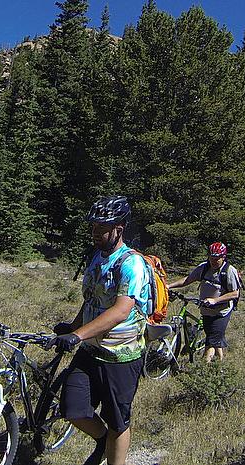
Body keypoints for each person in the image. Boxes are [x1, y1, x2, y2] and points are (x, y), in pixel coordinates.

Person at [52, 195, 151, 465]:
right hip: (90, 350)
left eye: (102, 227)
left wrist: (78, 335)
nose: (95, 232)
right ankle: (101, 440)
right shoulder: (97, 256)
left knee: (119, 422)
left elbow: (121, 310)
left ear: (119, 228)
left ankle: (113, 453)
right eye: (93, 226)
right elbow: (92, 300)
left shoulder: (132, 264)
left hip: (121, 356)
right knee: (73, 408)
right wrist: (72, 327)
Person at [166, 241, 242, 362]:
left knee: (210, 343)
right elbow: (188, 280)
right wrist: (169, 286)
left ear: (223, 257)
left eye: (217, 258)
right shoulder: (204, 267)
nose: (213, 261)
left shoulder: (229, 271)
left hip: (221, 313)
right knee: (214, 339)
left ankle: (202, 370)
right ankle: (220, 365)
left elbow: (235, 293)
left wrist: (215, 300)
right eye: (211, 257)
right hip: (206, 311)